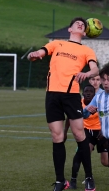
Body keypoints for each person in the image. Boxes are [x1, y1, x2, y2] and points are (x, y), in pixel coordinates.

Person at [27, 17, 99, 191]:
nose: (80, 24)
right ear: (70, 29)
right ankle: (61, 181)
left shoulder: (87, 50)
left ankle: (89, 177)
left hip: (71, 95)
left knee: (79, 135)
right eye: (77, 23)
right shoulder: (57, 44)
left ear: (84, 32)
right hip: (52, 95)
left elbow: (95, 69)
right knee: (57, 137)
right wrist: (34, 54)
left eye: (83, 25)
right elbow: (41, 51)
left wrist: (88, 74)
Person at [64, 83, 109, 189]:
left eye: (91, 92)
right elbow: (69, 118)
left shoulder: (99, 103)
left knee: (106, 161)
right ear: (82, 93)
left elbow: (106, 117)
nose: (88, 93)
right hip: (86, 132)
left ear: (94, 94)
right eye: (86, 91)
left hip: (101, 132)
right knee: (81, 153)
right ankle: (73, 180)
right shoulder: (79, 104)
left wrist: (104, 130)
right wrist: (65, 132)